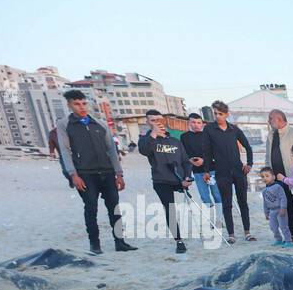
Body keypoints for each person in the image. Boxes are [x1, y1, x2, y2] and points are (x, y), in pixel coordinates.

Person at [55, 90, 136, 255]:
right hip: (85, 174)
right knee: (91, 208)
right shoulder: (64, 125)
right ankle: (95, 245)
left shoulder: (100, 124)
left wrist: (119, 174)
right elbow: (65, 151)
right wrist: (73, 175)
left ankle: (120, 242)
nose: (81, 107)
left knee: (114, 208)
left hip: (106, 172)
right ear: (70, 105)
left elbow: (111, 150)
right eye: (77, 104)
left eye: (84, 103)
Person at [137, 110, 193, 254]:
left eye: (159, 120)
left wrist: (187, 177)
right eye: (153, 120)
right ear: (148, 122)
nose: (157, 123)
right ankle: (178, 240)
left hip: (179, 179)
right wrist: (154, 134)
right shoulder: (146, 139)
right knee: (170, 209)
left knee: (190, 205)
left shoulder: (175, 141)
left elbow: (186, 162)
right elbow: (144, 151)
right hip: (161, 180)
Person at [206, 100, 255, 242]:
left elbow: (248, 147)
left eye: (220, 114)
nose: (217, 116)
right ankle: (231, 235)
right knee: (227, 204)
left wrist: (249, 164)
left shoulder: (234, 129)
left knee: (243, 202)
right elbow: (207, 151)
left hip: (239, 171)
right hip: (222, 172)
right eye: (215, 113)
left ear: (227, 114)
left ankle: (247, 232)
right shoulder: (209, 129)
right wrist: (207, 171)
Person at [265, 108, 293, 244]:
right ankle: (292, 233)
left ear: (279, 119)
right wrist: (268, 172)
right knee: (285, 205)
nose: (268, 121)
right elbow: (268, 155)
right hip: (277, 178)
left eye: (270, 118)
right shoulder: (271, 135)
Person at [180, 113, 222, 212]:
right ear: (189, 123)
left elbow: (216, 152)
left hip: (212, 170)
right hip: (197, 171)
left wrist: (204, 160)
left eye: (199, 122)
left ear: (202, 124)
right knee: (204, 196)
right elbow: (184, 153)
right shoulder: (184, 137)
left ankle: (220, 218)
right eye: (193, 122)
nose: (196, 125)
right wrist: (189, 160)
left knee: (217, 194)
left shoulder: (209, 135)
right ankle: (212, 216)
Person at [260, 167, 291, 246]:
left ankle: (288, 241)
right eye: (262, 176)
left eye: (267, 176)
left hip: (280, 210)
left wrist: (283, 208)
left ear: (273, 177)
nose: (265, 178)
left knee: (283, 226)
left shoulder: (278, 187)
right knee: (273, 226)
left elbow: (283, 198)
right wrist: (266, 212)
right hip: (272, 211)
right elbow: (265, 202)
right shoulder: (264, 191)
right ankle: (278, 239)